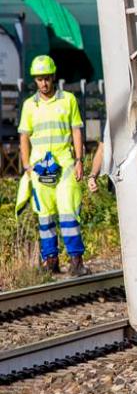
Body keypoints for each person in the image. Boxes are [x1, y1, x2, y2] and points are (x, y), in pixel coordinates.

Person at [17, 56, 87, 276]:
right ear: (35, 81)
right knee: (45, 216)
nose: (44, 83)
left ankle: (76, 261)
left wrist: (78, 161)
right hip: (40, 169)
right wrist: (27, 166)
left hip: (65, 164)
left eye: (46, 78)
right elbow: (24, 137)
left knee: (68, 212)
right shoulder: (30, 105)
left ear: (53, 77)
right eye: (39, 79)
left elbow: (76, 130)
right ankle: (51, 261)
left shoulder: (68, 100)